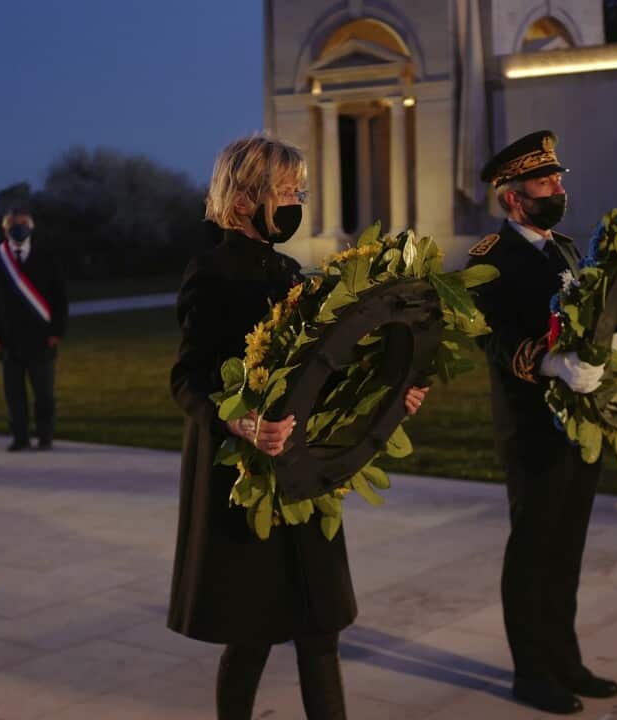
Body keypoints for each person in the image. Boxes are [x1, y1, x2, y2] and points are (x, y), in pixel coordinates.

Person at [167, 134, 428, 720]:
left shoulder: (288, 271)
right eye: (284, 191)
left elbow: (322, 370)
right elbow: (188, 378)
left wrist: (389, 398)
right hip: (246, 480)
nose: (294, 202)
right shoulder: (210, 272)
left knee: (320, 627)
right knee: (251, 633)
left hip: (302, 474)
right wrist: (239, 420)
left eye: (297, 192)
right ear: (242, 200)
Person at [464, 130, 617, 715]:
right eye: (544, 181)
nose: (557, 189)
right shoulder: (488, 259)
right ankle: (530, 672)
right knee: (533, 548)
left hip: (579, 424)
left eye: (557, 178)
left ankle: (565, 658)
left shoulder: (568, 250)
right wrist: (549, 362)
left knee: (568, 547)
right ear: (513, 197)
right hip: (530, 425)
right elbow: (492, 336)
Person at [0, 208, 68, 452]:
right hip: (8, 339)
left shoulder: (46, 256)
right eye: (12, 225)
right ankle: (20, 437)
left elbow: (60, 297)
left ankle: (45, 436)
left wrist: (57, 332)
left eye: (23, 224)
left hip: (41, 337)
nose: (18, 228)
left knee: (44, 393)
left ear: (32, 227)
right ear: (4, 229)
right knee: (14, 393)